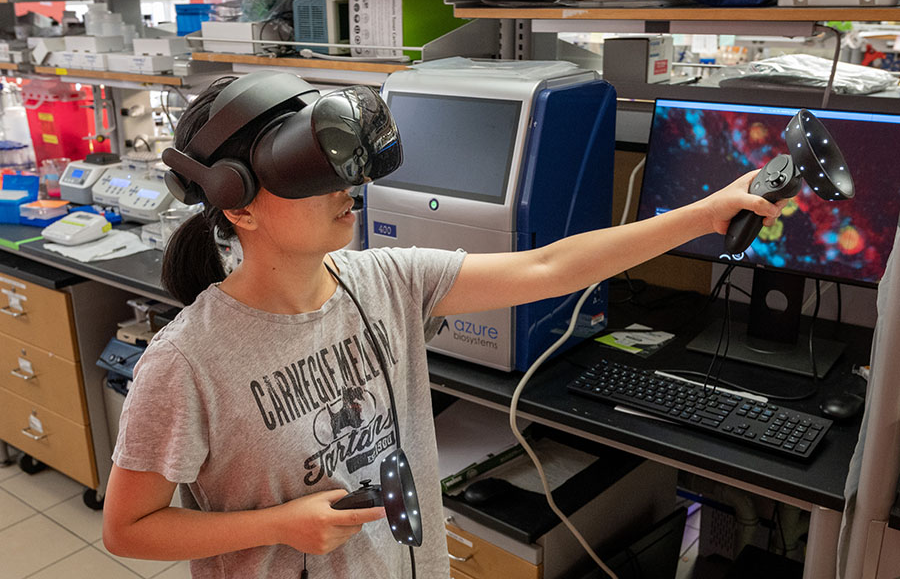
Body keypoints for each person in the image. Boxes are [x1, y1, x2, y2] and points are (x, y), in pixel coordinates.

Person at [101, 73, 786, 579]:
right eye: (312, 178)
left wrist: (705, 214)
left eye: (343, 168)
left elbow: (550, 267)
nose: (348, 189)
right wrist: (282, 526)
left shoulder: (387, 281)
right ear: (239, 207)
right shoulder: (187, 361)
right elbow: (129, 529)